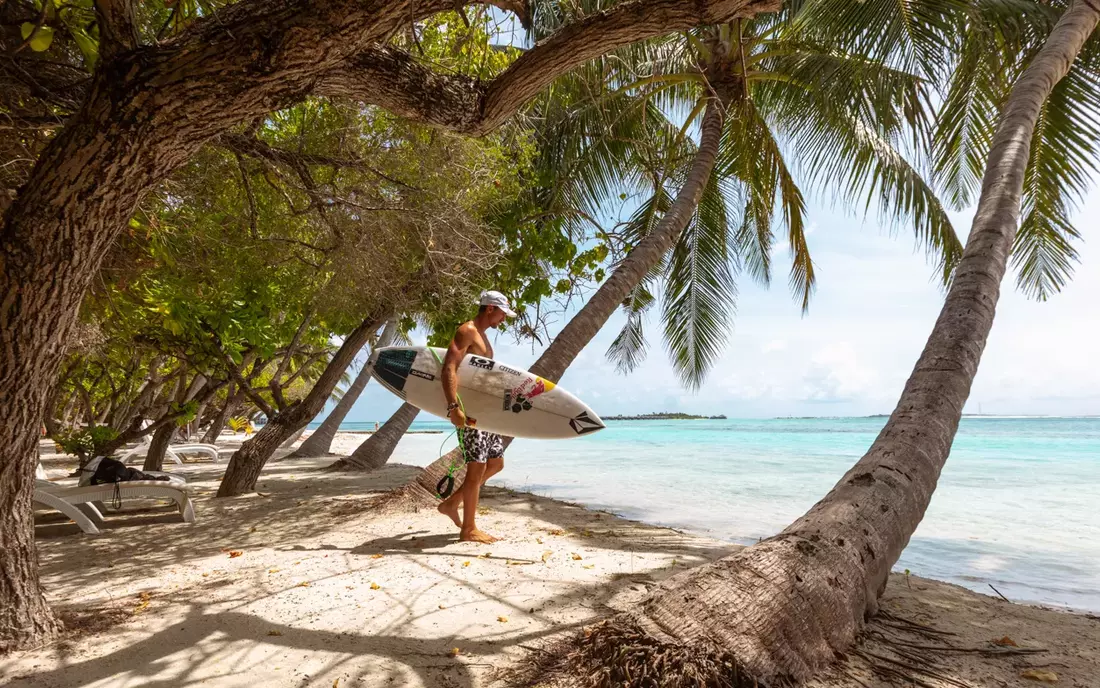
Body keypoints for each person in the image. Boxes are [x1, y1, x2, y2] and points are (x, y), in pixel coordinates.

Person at [436, 290, 516, 543]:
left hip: (484, 413)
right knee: (477, 468)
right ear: (490, 308)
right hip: (468, 411)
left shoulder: (482, 336)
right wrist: (453, 407)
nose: (504, 318)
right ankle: (468, 529)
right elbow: (449, 367)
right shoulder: (467, 331)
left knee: (495, 464)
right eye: (503, 312)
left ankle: (452, 504)